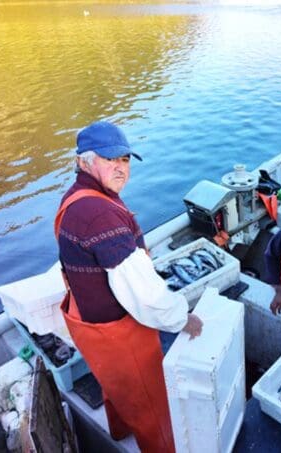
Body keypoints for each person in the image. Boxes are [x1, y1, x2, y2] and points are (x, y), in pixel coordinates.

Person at [54, 121, 202, 453]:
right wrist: (182, 318)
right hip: (119, 333)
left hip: (91, 324)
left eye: (125, 160)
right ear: (84, 161)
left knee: (116, 387)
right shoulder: (99, 214)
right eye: (111, 160)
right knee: (151, 408)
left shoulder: (77, 197)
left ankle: (120, 432)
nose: (121, 168)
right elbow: (145, 296)